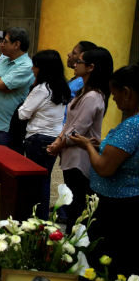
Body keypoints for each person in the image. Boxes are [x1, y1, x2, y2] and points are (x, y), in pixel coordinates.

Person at [69, 65, 139, 276]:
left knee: (109, 257)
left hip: (117, 203)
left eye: (116, 95)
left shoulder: (132, 126)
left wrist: (88, 146)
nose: (114, 101)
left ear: (127, 91)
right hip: (126, 198)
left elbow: (104, 167)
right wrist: (100, 145)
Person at [47, 47, 113, 231]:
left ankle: (74, 247)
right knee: (74, 203)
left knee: (77, 207)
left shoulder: (93, 96)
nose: (75, 64)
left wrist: (58, 144)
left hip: (80, 157)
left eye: (80, 62)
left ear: (91, 67)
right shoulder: (85, 91)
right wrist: (58, 140)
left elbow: (78, 129)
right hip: (71, 152)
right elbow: (69, 123)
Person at [17, 50, 71, 219]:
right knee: (44, 180)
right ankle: (41, 219)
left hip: (37, 137)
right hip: (53, 137)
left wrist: (25, 108)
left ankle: (35, 218)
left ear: (43, 68)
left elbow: (22, 114)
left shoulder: (42, 89)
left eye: (36, 66)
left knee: (35, 181)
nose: (33, 69)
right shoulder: (62, 87)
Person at [0, 27, 35, 148]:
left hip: (7, 125)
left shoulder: (26, 66)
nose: (2, 45)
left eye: (5, 41)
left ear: (16, 44)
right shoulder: (5, 61)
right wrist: (2, 85)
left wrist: (1, 84)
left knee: (1, 162)